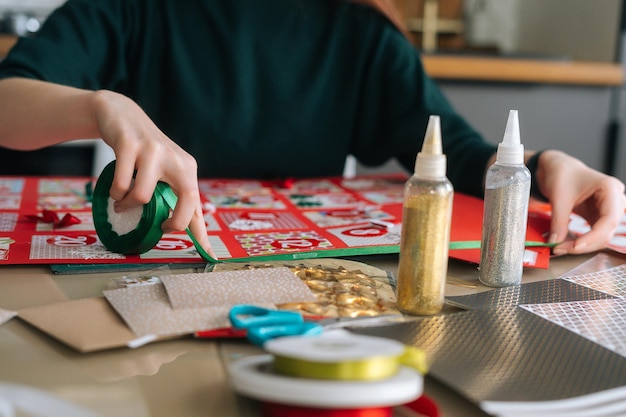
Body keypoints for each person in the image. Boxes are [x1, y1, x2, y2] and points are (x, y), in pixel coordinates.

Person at [0, 0, 622, 258]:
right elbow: (8, 101)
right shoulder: (132, 8)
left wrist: (539, 164)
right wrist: (102, 106)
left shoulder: (358, 32)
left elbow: (454, 154)